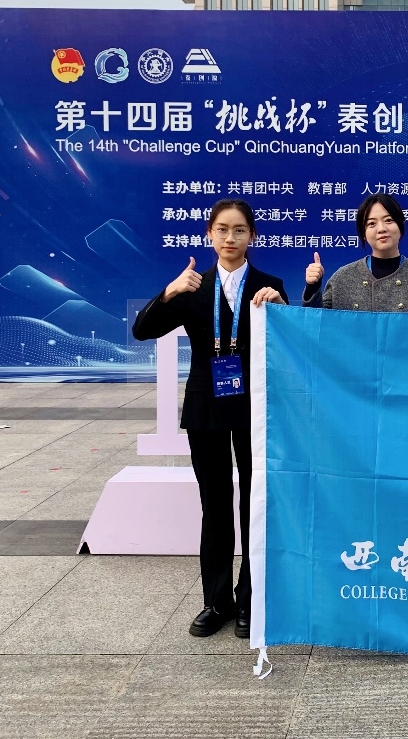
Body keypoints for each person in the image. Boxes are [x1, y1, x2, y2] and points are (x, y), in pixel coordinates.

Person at [131, 198, 287, 639]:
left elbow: (289, 343)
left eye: (239, 230)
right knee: (214, 504)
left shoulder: (269, 285)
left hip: (256, 407)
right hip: (206, 406)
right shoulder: (192, 286)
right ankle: (216, 601)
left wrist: (282, 306)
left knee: (255, 502)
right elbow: (142, 330)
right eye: (222, 229)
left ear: (252, 236)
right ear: (209, 235)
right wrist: (168, 292)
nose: (230, 238)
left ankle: (250, 598)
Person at [302, 193, 408, 312]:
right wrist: (312, 287)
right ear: (363, 234)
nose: (381, 229)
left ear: (401, 225)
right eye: (371, 224)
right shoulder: (342, 278)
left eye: (388, 220)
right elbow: (318, 324)